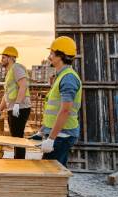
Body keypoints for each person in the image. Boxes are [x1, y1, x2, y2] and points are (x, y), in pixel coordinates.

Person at [30, 36, 82, 167]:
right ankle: (63, 188)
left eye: (51, 53)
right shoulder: (62, 76)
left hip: (62, 135)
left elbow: (65, 110)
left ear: (60, 56)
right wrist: (42, 131)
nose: (49, 57)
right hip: (59, 133)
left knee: (50, 172)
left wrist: (51, 139)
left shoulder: (68, 78)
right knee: (58, 173)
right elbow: (53, 109)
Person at [0, 46, 31, 159]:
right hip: (14, 108)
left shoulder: (16, 68)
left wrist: (17, 104)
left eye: (4, 57)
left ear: (11, 58)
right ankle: (18, 160)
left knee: (18, 138)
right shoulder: (10, 72)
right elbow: (6, 95)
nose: (2, 60)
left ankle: (19, 162)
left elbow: (23, 86)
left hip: (20, 108)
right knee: (15, 137)